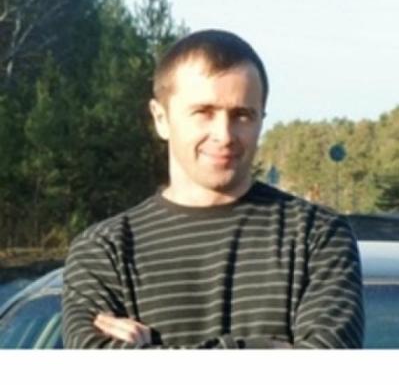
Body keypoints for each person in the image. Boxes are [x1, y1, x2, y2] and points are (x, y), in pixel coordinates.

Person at [62, 29, 364, 349]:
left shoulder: (317, 237)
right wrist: (267, 351)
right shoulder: (104, 252)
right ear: (161, 118)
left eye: (242, 115)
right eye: (203, 113)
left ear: (261, 119)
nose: (224, 135)